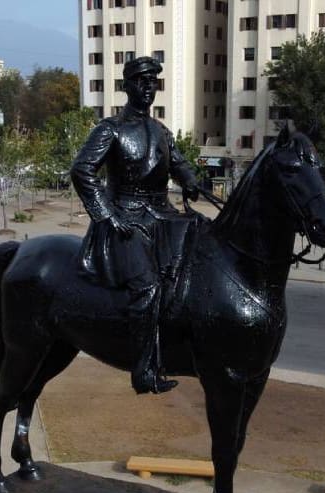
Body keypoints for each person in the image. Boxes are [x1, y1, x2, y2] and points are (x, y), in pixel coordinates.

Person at [71, 56, 202, 395]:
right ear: (126, 86)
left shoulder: (161, 131)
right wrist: (107, 215)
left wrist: (190, 181)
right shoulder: (110, 129)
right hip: (126, 221)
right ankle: (143, 370)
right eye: (141, 81)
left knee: (201, 259)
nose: (148, 87)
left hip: (163, 215)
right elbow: (82, 171)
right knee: (147, 287)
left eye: (153, 82)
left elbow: (179, 163)